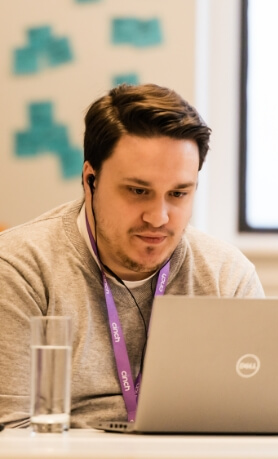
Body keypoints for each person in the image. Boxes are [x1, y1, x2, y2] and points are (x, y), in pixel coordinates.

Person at [0, 83, 264, 428]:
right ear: (90, 179)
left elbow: (259, 421)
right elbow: (13, 434)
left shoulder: (227, 276)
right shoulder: (20, 268)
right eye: (138, 191)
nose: (158, 217)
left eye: (178, 193)